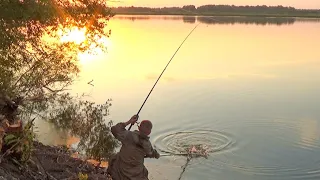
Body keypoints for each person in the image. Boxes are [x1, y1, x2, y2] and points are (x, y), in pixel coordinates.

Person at [107, 115, 160, 180]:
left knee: (115, 158)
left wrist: (129, 121)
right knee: (144, 172)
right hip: (136, 175)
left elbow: (114, 129)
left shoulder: (128, 135)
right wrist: (157, 155)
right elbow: (151, 154)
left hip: (121, 172)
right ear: (149, 132)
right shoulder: (147, 145)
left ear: (139, 128)